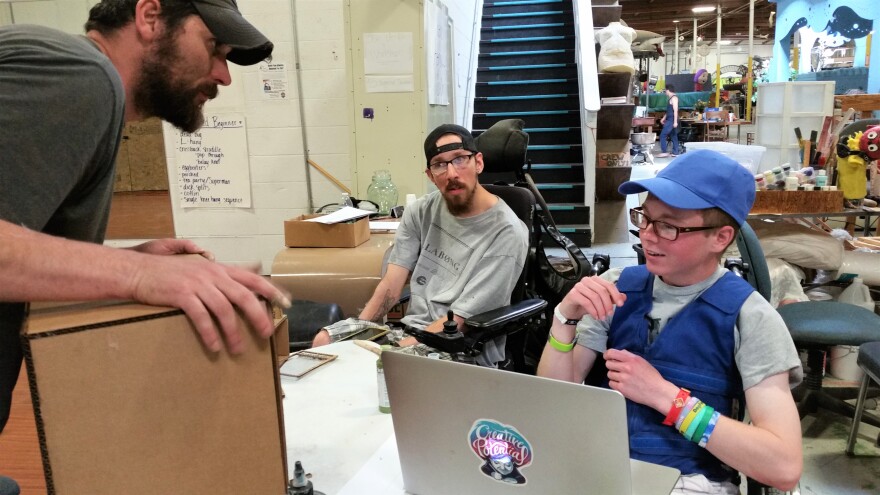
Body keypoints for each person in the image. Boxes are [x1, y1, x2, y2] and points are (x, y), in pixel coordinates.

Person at [0, 0, 290, 449]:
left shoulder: (86, 86)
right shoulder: (81, 74)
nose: (224, 75)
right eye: (213, 47)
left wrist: (119, 262)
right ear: (150, 17)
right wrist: (138, 275)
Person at [537, 150, 803, 494]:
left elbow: (782, 466)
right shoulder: (618, 289)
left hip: (689, 482)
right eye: (644, 219)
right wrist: (565, 317)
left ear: (720, 237)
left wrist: (666, 397)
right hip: (599, 469)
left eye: (668, 226)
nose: (647, 235)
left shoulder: (749, 318)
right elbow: (555, 402)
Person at [311, 124, 529, 367]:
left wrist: (392, 350)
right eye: (439, 164)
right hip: (412, 332)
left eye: (459, 160)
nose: (451, 173)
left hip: (460, 345)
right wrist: (361, 331)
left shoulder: (507, 231)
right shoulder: (420, 212)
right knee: (325, 341)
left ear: (478, 163)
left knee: (378, 368)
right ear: (430, 175)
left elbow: (461, 319)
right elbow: (391, 287)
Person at [657, 84, 680, 157]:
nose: (665, 93)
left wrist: (675, 122)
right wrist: (663, 118)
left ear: (668, 90)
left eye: (665, 91)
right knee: (673, 135)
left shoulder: (674, 98)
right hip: (670, 119)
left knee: (662, 135)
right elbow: (669, 110)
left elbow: (675, 110)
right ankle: (675, 152)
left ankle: (664, 152)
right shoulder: (670, 98)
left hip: (671, 120)